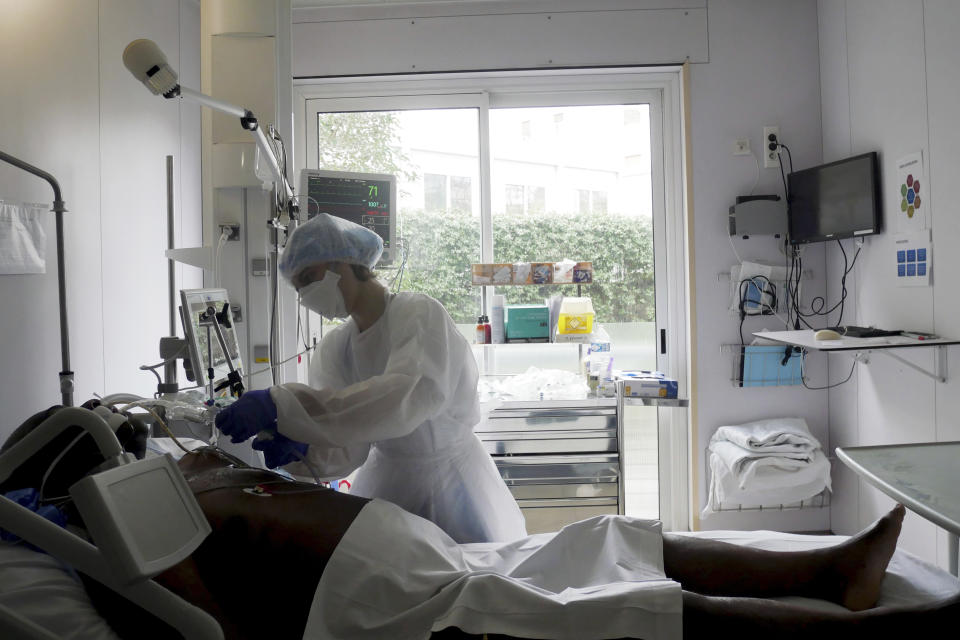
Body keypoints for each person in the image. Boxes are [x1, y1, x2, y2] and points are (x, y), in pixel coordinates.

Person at [141, 450, 959, 639]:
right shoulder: (105, 534)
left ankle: (824, 565)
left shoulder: (161, 475)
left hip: (403, 557)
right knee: (606, 605)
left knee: (600, 534)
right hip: (379, 596)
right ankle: (859, 621)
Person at [214, 213, 526, 544]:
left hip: (453, 482)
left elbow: (404, 397)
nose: (305, 294)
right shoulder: (337, 348)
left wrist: (284, 405)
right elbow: (351, 446)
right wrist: (306, 450)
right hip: (391, 482)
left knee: (470, 579)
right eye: (298, 287)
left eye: (308, 277)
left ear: (345, 261)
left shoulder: (418, 314)